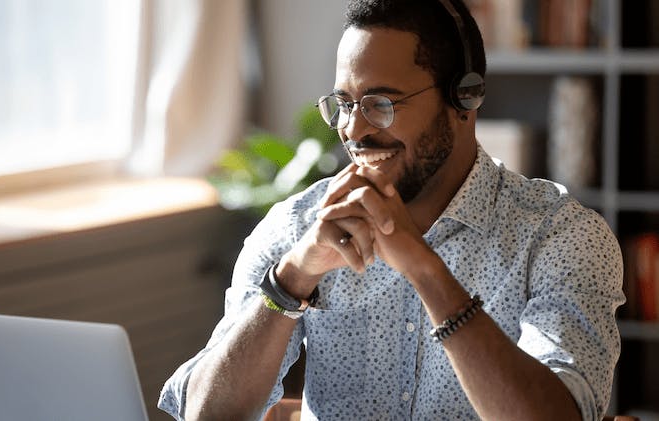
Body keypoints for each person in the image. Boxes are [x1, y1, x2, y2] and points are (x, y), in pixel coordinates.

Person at [159, 0, 625, 420]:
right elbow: (204, 416)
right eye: (343, 103)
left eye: (381, 103)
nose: (354, 130)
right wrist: (292, 278)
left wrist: (425, 269)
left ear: (464, 98)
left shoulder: (561, 236)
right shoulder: (298, 226)